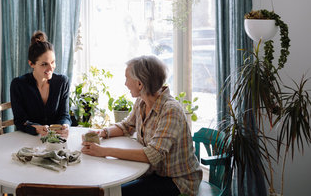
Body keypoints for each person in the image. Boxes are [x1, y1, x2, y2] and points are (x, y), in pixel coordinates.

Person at [81, 55, 202, 196]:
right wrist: (102, 132)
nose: (125, 83)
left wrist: (103, 151)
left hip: (177, 181)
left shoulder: (170, 110)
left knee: (117, 193)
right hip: (152, 173)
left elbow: (152, 155)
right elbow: (127, 126)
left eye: (127, 78)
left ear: (140, 84)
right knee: (107, 188)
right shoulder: (141, 101)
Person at [10, 31, 71, 138]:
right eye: (44, 64)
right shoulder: (18, 85)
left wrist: (65, 125)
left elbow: (64, 115)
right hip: (28, 140)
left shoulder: (62, 82)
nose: (51, 68)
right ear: (31, 64)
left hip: (56, 140)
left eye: (53, 62)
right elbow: (20, 121)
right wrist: (36, 128)